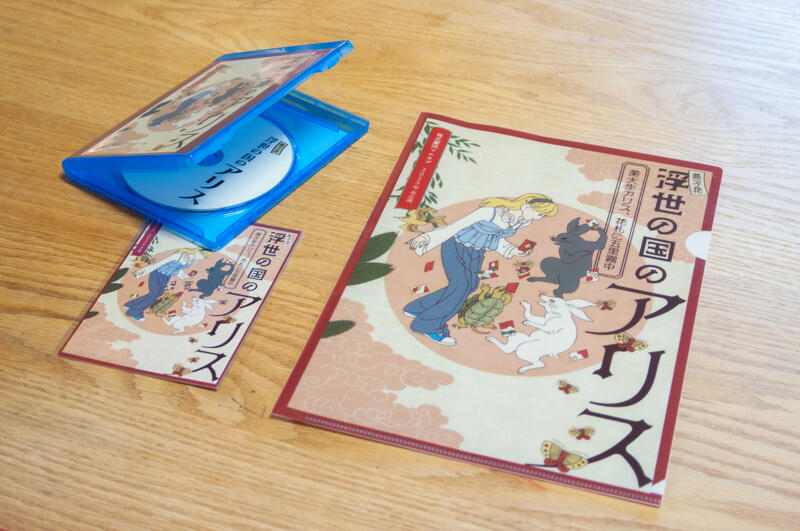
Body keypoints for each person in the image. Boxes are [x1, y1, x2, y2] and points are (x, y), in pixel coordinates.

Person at [404, 193, 558, 346]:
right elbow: (456, 227)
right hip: (455, 246)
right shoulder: (489, 212)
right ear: (526, 206)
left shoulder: (523, 221)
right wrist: (426, 238)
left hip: (477, 252)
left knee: (471, 284)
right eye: (540, 214)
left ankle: (418, 307)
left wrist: (512, 249)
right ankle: (427, 325)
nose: (540, 218)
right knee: (462, 285)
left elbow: (497, 239)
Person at [124, 248, 213, 321]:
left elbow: (177, 270)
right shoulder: (179, 255)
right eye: (202, 256)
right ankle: (134, 312)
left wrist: (185, 276)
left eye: (204, 258)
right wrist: (142, 272)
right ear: (198, 251)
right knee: (154, 294)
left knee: (159, 293)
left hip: (166, 276)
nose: (202, 258)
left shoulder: (192, 260)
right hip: (157, 273)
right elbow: (160, 263)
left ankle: (131, 304)